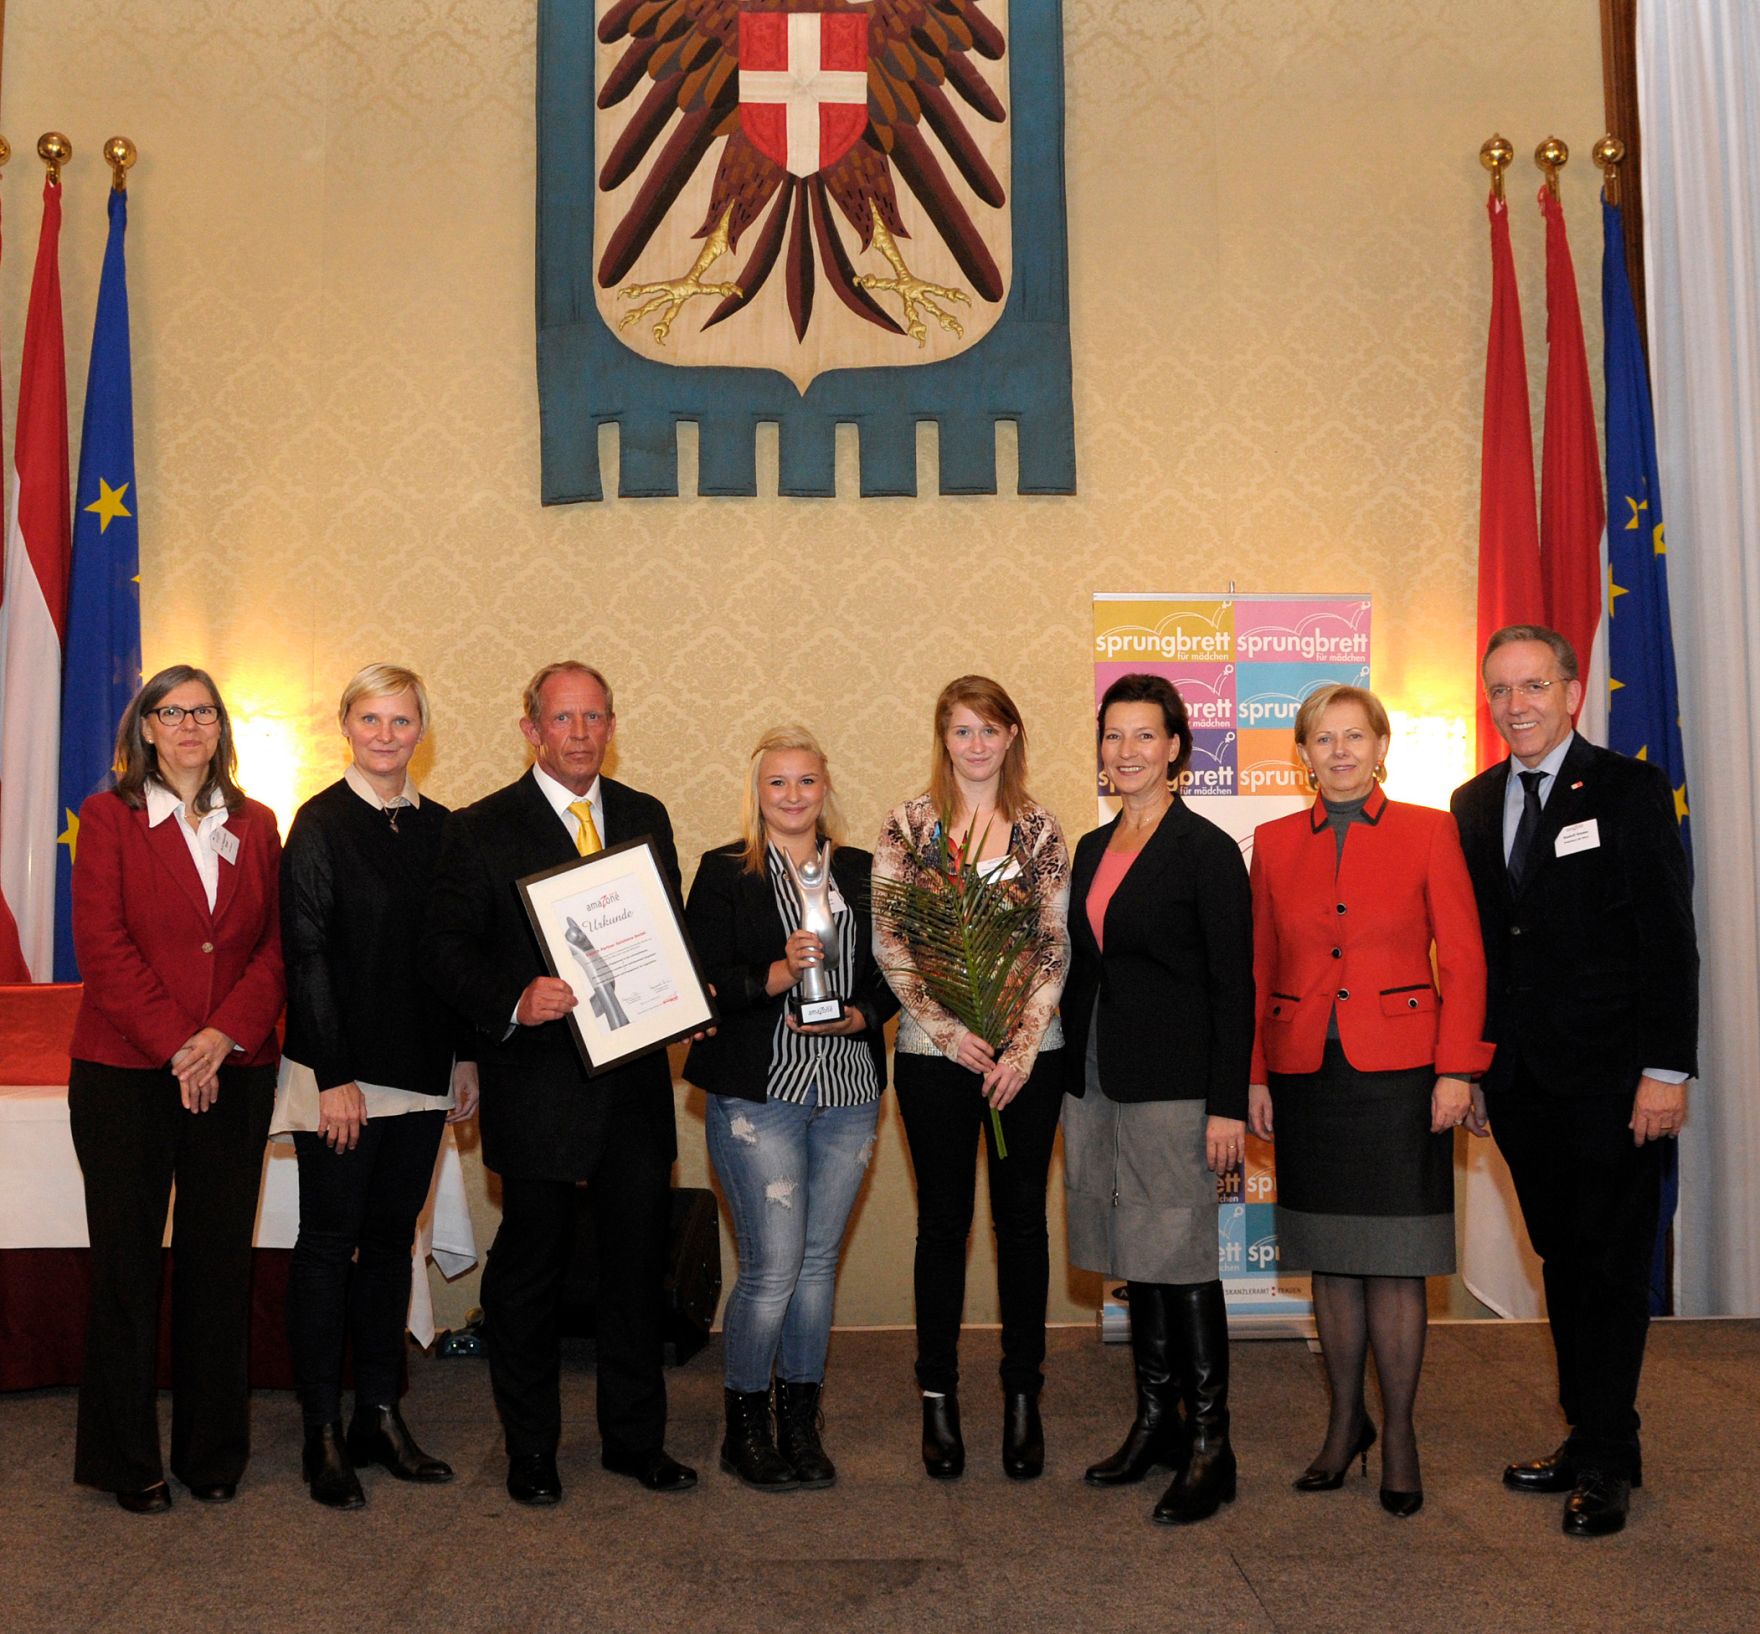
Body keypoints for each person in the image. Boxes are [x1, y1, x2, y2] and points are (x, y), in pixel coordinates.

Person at [423, 661, 695, 1505]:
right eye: (563, 719)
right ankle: (530, 1448)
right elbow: (444, 952)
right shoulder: (478, 828)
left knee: (635, 1272)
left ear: (611, 725)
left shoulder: (645, 815)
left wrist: (686, 994)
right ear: (531, 730)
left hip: (635, 1089)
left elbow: (667, 933)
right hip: (537, 1088)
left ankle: (635, 1442)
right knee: (530, 1277)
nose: (580, 734)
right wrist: (514, 998)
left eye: (594, 718)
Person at [1451, 625, 1698, 1538]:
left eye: (1533, 686)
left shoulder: (1629, 790)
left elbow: (1668, 939)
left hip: (1615, 1083)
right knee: (1563, 1259)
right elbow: (1482, 949)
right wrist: (1475, 1065)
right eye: (1500, 690)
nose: (1516, 705)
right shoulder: (1473, 802)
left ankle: (1610, 1456)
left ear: (1571, 691)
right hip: (1520, 1082)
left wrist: (1665, 1072)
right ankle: (1586, 1431)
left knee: (1612, 1267)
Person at [1247, 683, 1492, 1519]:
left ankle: (1402, 1436)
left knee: (1395, 1260)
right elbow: (1259, 966)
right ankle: (1345, 1422)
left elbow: (1464, 958)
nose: (1341, 752)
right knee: (1332, 1257)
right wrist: (1254, 1074)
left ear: (1382, 747)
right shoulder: (1274, 843)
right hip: (1306, 1075)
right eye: (1324, 739)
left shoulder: (1430, 829)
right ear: (1303, 755)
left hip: (1402, 1075)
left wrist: (1458, 1070)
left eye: (1356, 737)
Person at [66, 665, 286, 1513]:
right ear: (147, 729)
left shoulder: (257, 823)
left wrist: (222, 1037)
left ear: (222, 727)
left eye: (204, 711)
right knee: (125, 1271)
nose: (190, 724)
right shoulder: (107, 818)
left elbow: (273, 949)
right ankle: (126, 1461)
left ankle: (212, 1453)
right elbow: (103, 947)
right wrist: (180, 1047)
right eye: (172, 711)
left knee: (217, 1266)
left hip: (236, 1072)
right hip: (127, 1075)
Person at [276, 663, 480, 1508]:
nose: (387, 735)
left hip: (425, 1071)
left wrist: (466, 1055)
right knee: (329, 1247)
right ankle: (320, 1431)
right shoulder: (319, 823)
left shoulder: (444, 828)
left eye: (402, 721)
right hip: (342, 1078)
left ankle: (380, 1416)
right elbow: (306, 953)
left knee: (394, 1244)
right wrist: (334, 1077)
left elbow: (457, 951)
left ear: (421, 731)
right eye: (371, 719)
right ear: (346, 726)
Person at [683, 726, 899, 1491]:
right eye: (777, 782)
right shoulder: (723, 872)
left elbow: (895, 973)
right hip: (760, 1094)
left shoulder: (864, 871)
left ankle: (800, 1423)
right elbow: (699, 982)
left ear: (825, 787)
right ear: (758, 792)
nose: (793, 795)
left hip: (848, 1093)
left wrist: (864, 1015)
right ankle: (745, 1428)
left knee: (814, 1267)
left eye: (806, 780)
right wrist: (773, 975)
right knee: (772, 1268)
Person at [1061, 674, 1254, 1525]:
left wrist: (1226, 1106)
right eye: (1114, 735)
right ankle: (1156, 1423)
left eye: (1145, 735)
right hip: (1099, 1077)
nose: (1127, 751)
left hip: (1177, 1086)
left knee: (1181, 1256)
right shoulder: (1092, 847)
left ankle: (1211, 1444)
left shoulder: (1205, 849)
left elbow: (1234, 985)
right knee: (1134, 1253)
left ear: (1176, 748)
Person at [873, 675, 1070, 1481]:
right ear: (943, 739)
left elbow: (1053, 943)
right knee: (942, 1228)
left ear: (1012, 735)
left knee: (1022, 1227)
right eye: (962, 730)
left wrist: (1021, 1047)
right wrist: (950, 1034)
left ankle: (1023, 1396)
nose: (977, 744)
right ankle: (938, 1397)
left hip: (1030, 1062)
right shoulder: (907, 827)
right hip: (935, 1059)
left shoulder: (1040, 828)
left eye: (990, 729)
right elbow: (890, 944)